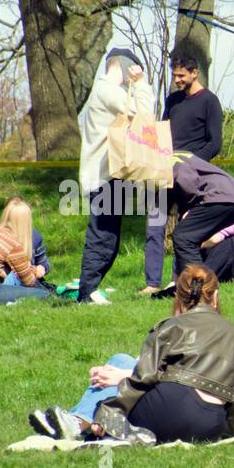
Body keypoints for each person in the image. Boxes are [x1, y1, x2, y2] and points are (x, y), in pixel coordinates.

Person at [90, 265, 234, 444]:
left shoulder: (171, 326)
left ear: (179, 297)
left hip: (169, 408)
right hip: (210, 423)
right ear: (215, 296)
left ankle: (114, 435)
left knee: (103, 406)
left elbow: (143, 377)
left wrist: (110, 409)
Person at [141, 51, 225, 295]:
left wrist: (189, 161)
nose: (177, 80)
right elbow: (162, 133)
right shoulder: (172, 100)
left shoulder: (210, 101)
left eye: (181, 75)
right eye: (174, 75)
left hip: (191, 173)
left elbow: (214, 143)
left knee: (184, 229)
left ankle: (180, 280)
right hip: (164, 170)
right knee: (155, 224)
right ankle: (151, 283)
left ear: (194, 73)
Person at [77, 47, 155, 305]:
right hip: (104, 178)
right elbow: (145, 115)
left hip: (105, 176)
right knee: (103, 236)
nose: (130, 77)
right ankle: (87, 293)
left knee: (108, 236)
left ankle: (90, 289)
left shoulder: (101, 92)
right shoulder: (108, 90)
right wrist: (141, 84)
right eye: (131, 71)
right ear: (122, 66)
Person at [169, 154, 234, 280]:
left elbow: (185, 177)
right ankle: (188, 284)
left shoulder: (165, 159)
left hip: (219, 196)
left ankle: (198, 288)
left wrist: (191, 205)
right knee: (186, 238)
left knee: (184, 238)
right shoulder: (174, 155)